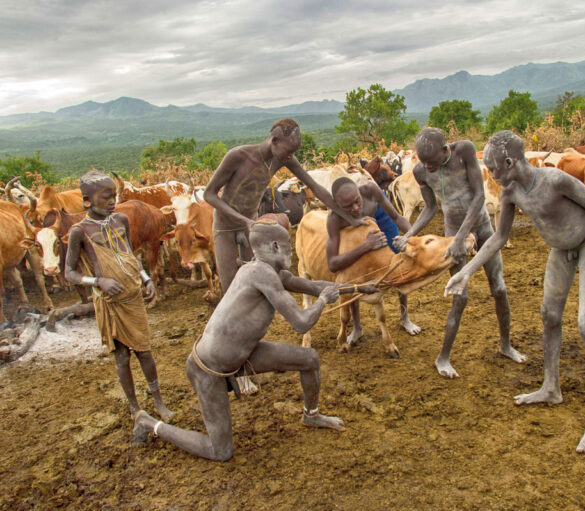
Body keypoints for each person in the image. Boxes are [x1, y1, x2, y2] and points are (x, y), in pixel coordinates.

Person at [132, 222, 376, 461]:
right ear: (275, 247)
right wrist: (323, 300)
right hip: (209, 369)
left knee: (309, 358)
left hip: (243, 355)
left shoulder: (271, 272)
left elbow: (313, 286)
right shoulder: (261, 274)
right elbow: (302, 323)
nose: (292, 250)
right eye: (288, 246)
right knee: (221, 451)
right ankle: (151, 424)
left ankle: (311, 415)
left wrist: (356, 287)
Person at [445, 131, 585, 454]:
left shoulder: (555, 180)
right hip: (561, 249)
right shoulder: (510, 193)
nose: (490, 175)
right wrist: (465, 272)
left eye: (492, 168)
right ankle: (551, 386)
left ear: (508, 162)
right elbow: (497, 239)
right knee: (550, 315)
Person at [204, 118, 365, 394]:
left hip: (252, 228)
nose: (292, 156)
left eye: (295, 152)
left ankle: (243, 363)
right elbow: (209, 195)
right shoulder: (238, 156)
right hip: (226, 227)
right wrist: (243, 220)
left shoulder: (283, 160)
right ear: (274, 140)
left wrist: (344, 215)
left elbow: (315, 187)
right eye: (288, 150)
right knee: (232, 293)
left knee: (256, 292)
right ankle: (226, 369)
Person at [393, 127, 526, 378]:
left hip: (483, 228)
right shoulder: (421, 172)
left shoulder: (463, 151)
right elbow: (431, 208)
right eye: (424, 163)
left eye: (432, 162)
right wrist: (409, 236)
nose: (428, 168)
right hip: (453, 233)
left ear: (445, 150)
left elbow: (478, 197)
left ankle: (506, 345)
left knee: (498, 288)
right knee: (459, 296)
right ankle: (443, 357)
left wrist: (463, 236)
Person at [65, 171, 173, 422]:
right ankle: (135, 406)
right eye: (106, 197)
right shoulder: (79, 232)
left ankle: (158, 400)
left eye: (114, 195)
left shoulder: (120, 221)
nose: (113, 201)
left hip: (132, 297)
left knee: (145, 352)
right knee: (122, 357)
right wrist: (97, 281)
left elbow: (129, 256)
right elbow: (69, 273)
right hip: (109, 303)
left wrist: (146, 279)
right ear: (87, 201)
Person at [327, 177, 421, 348]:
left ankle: (404, 317)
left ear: (359, 191)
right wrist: (366, 246)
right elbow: (333, 264)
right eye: (348, 207)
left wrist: (413, 239)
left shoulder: (370, 189)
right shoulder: (335, 219)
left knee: (397, 265)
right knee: (353, 276)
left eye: (357, 201)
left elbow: (397, 217)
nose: (355, 208)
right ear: (337, 204)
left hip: (381, 220)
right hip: (359, 236)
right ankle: (357, 327)